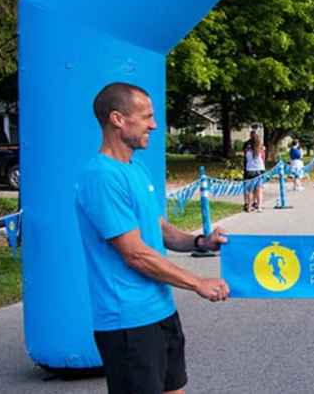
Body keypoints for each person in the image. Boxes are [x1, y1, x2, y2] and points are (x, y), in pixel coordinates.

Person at [75, 82, 229, 394]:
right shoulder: (101, 177)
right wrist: (198, 282)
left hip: (161, 311)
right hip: (128, 323)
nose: (154, 125)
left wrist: (201, 242)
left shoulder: (135, 168)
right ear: (118, 119)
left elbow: (159, 228)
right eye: (146, 117)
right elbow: (134, 254)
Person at [243, 130, 266, 212]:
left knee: (249, 190)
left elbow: (245, 159)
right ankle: (259, 207)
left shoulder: (247, 150)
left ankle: (249, 207)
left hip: (249, 170)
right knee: (259, 189)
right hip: (259, 170)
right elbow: (263, 159)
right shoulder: (261, 150)